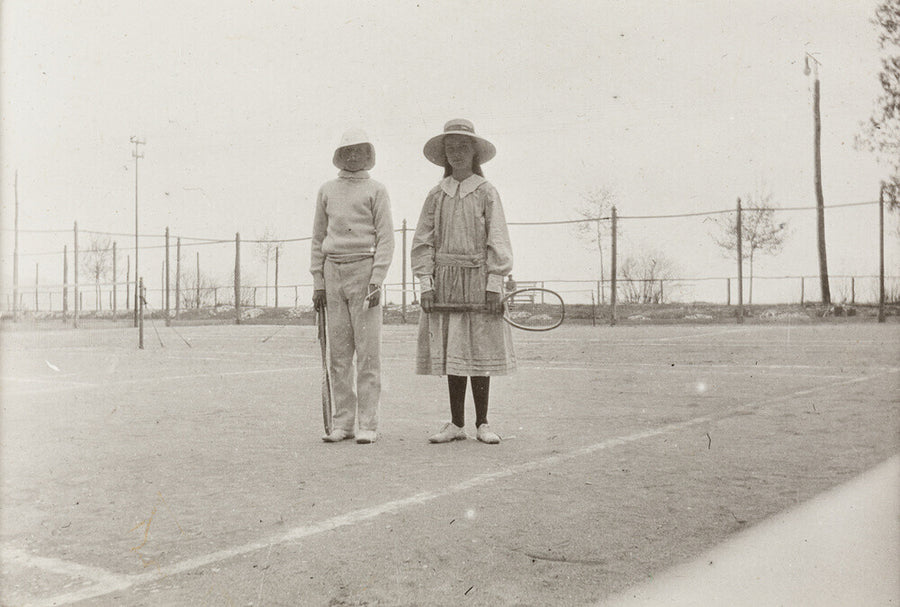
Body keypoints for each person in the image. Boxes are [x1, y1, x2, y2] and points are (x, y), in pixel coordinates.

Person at [411, 119, 515, 445]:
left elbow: (498, 238)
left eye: (463, 147)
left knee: (478, 348)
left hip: (479, 279)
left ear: (474, 153)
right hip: (445, 281)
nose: (456, 153)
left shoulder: (487, 192)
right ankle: (456, 423)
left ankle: (482, 423)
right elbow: (423, 242)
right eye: (451, 148)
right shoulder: (435, 195)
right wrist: (426, 284)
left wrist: (494, 285)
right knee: (454, 348)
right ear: (444, 155)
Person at [310, 128, 394, 444]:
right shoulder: (327, 190)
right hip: (333, 273)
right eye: (348, 151)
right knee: (339, 353)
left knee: (368, 352)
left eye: (359, 151)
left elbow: (386, 237)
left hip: (364, 270)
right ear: (340, 155)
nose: (353, 156)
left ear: (368, 154)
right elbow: (318, 238)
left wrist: (377, 279)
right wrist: (318, 280)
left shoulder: (377, 190)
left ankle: (368, 423)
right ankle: (342, 422)